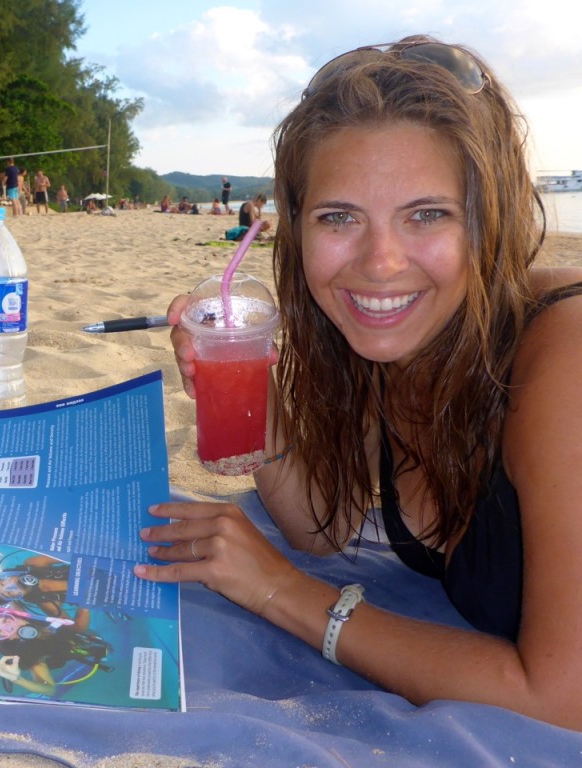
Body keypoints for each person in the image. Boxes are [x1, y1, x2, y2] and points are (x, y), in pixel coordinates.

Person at [144, 36, 582, 731]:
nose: (379, 263)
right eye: (339, 217)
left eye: (427, 214)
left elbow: (563, 703)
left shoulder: (564, 360)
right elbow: (327, 524)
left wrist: (280, 592)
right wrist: (240, 386)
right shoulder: (399, 346)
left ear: (488, 220)